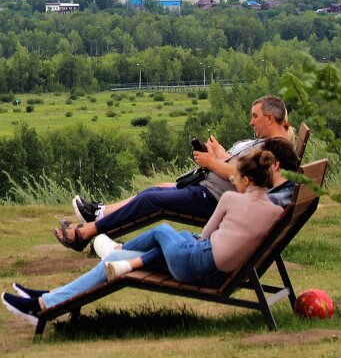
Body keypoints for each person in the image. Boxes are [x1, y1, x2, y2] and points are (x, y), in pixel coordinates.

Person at [3, 147, 285, 324]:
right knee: (148, 248)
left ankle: (115, 253)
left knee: (163, 230)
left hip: (198, 265)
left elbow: (207, 235)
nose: (232, 181)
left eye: (235, 178)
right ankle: (49, 300)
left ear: (245, 180)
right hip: (221, 273)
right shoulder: (276, 211)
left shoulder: (231, 199)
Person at [55, 95, 294, 252]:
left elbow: (242, 175)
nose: (251, 122)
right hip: (209, 191)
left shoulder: (275, 149)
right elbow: (240, 169)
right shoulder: (268, 143)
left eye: (255, 116)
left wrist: (211, 162)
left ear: (269, 118)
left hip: (213, 199)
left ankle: (87, 232)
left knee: (151, 200)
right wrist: (219, 155)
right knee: (152, 192)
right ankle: (97, 221)